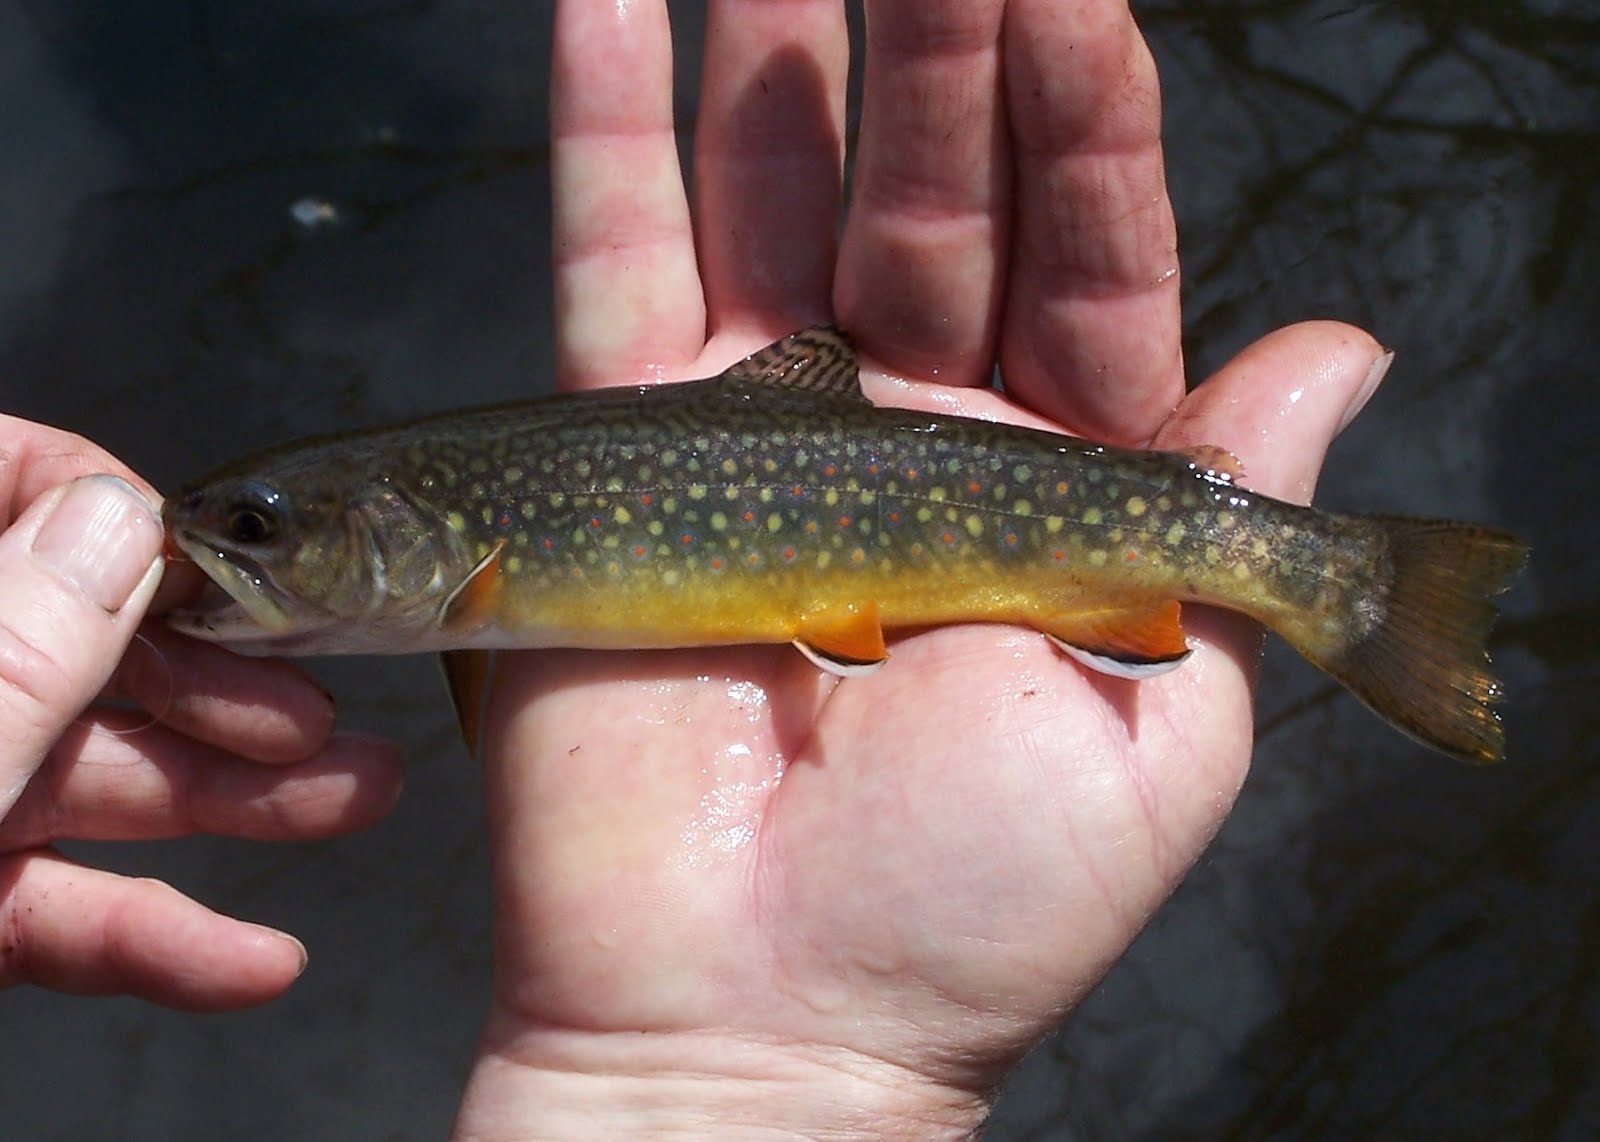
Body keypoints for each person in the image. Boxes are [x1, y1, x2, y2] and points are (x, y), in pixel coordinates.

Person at [0, 1, 1393, 1135]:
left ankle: (1354, 584)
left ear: (404, 523)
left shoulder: (469, 587)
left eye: (258, 530)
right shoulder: (462, 602)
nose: (219, 552)